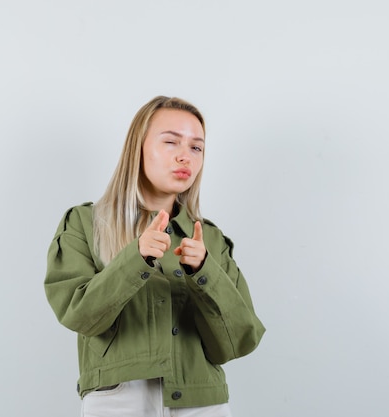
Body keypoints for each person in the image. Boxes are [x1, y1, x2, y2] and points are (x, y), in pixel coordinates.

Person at [44, 96, 265, 416]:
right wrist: (135, 259)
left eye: (196, 147)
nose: (184, 156)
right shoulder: (85, 223)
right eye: (171, 142)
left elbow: (240, 340)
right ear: (139, 148)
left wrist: (205, 270)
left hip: (201, 403)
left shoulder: (210, 239)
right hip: (119, 400)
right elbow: (79, 315)